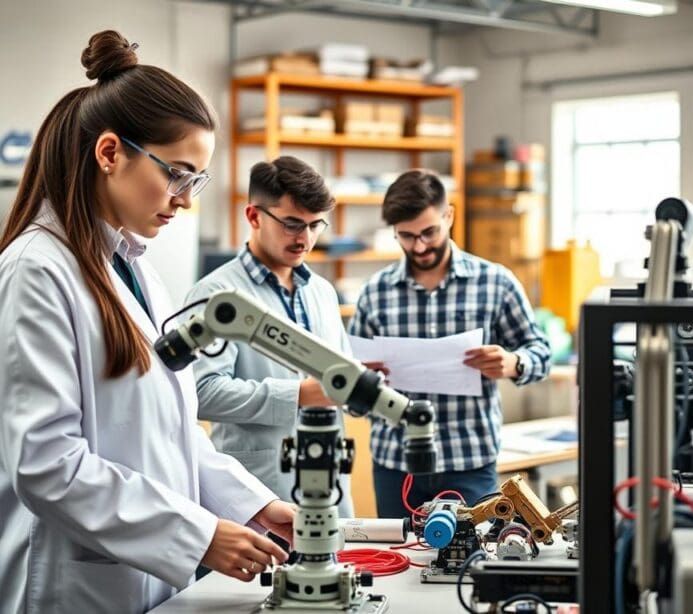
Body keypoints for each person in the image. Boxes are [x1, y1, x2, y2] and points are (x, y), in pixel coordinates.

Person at [0, 31, 294, 614]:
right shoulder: (36, 271)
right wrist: (199, 534)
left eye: (196, 181)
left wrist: (245, 505)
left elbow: (172, 433)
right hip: (72, 587)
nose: (185, 199)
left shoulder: (137, 272)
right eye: (177, 174)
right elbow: (46, 464)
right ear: (110, 153)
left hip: (146, 578)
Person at [348, 169, 552, 518]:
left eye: (429, 232)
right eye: (407, 237)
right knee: (398, 565)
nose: (420, 246)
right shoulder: (374, 292)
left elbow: (541, 353)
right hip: (396, 467)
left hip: (470, 463)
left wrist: (514, 362)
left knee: (473, 566)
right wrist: (361, 384)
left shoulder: (495, 282)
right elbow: (348, 392)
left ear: (450, 216)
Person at [186, 156, 353, 516]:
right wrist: (297, 395)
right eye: (293, 224)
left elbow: (339, 378)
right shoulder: (217, 295)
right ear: (253, 216)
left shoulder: (322, 292)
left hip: (331, 489)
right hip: (258, 493)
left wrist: (361, 388)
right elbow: (200, 393)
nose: (305, 238)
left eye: (316, 225)